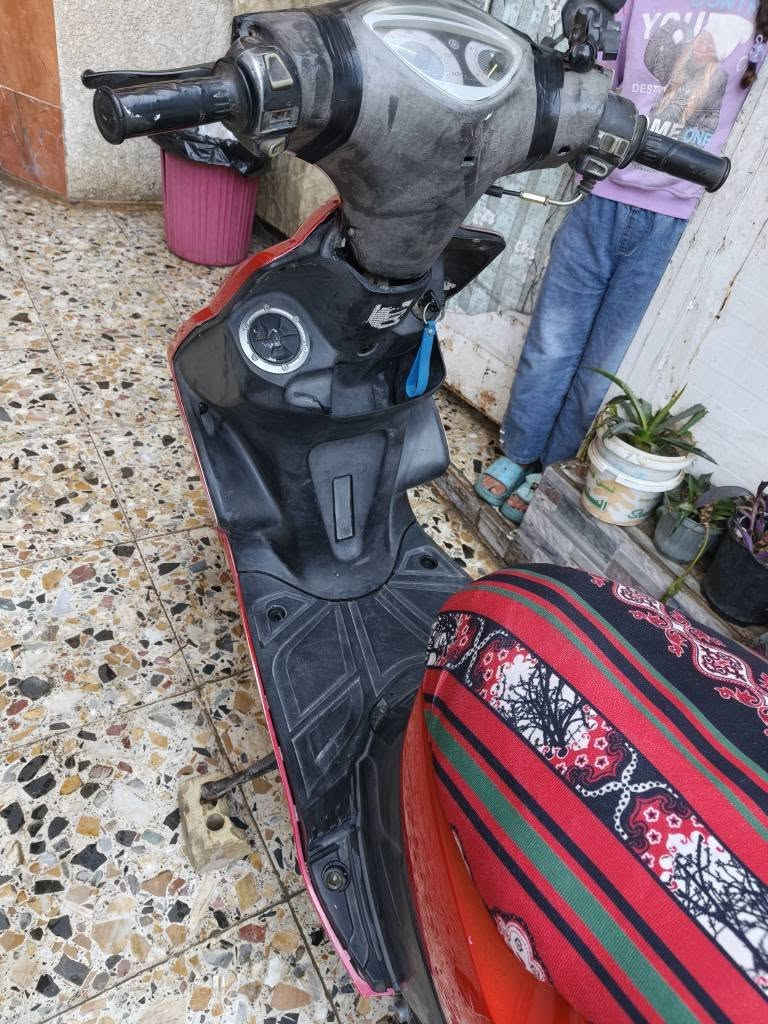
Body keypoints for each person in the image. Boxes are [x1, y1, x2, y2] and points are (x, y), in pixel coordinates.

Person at [476, 0, 766, 524]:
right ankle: (519, 452)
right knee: (552, 343)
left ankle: (553, 469)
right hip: (601, 198)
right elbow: (600, 73)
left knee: (601, 366)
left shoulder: (757, 16)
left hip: (672, 222)